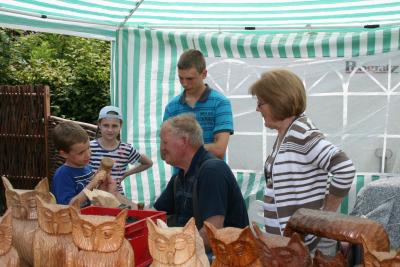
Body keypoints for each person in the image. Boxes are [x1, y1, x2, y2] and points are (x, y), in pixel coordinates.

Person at [249, 69, 356, 252]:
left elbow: (344, 168)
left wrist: (326, 216)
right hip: (290, 243)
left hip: (303, 246)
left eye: (261, 103)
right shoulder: (288, 133)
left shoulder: (301, 134)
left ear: (278, 101)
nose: (257, 108)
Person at [154, 113, 249, 249]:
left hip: (225, 257)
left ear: (184, 141)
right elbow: (151, 216)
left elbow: (211, 233)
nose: (162, 148)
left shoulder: (212, 170)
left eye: (165, 142)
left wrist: (172, 249)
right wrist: (117, 197)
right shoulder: (180, 176)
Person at [163, 49, 233, 161]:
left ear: (204, 74)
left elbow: (220, 150)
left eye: (190, 79)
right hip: (181, 177)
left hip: (211, 175)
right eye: (181, 78)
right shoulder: (172, 107)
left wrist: (182, 149)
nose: (184, 83)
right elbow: (165, 153)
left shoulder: (220, 103)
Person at [51, 120, 137, 208]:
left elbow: (92, 196)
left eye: (88, 148)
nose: (88, 155)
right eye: (81, 153)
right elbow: (68, 207)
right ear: (64, 154)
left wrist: (102, 186)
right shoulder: (62, 175)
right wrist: (92, 183)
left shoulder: (87, 168)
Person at [90, 105, 153, 195]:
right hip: (93, 197)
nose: (110, 130)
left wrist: (126, 173)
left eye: (114, 126)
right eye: (106, 125)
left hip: (117, 197)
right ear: (99, 125)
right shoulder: (90, 147)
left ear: (121, 126)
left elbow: (148, 163)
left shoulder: (125, 149)